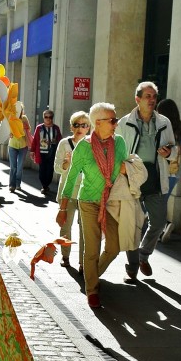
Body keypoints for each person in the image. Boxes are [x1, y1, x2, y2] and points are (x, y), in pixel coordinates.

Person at [57, 103, 128, 309]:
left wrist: (126, 169)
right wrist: (63, 208)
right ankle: (92, 290)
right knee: (92, 249)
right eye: (112, 120)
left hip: (111, 202)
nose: (116, 124)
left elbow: (126, 167)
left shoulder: (120, 143)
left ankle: (92, 275)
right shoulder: (84, 147)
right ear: (98, 123)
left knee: (114, 247)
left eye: (115, 120)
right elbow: (71, 178)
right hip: (88, 201)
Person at [116, 81, 174, 279]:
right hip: (132, 178)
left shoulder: (164, 122)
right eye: (147, 96)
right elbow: (116, 152)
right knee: (132, 226)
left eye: (154, 97)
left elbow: (173, 150)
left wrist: (168, 153)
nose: (151, 100)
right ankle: (132, 267)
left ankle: (143, 255)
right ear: (137, 99)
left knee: (158, 222)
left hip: (155, 178)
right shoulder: (124, 123)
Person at [54, 110, 90, 268]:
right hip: (67, 193)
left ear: (89, 127)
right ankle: (65, 256)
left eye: (84, 125)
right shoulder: (64, 143)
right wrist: (65, 164)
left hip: (86, 192)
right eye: (76, 124)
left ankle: (83, 262)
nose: (80, 128)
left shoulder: (92, 144)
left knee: (85, 230)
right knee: (65, 226)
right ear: (71, 127)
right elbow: (56, 168)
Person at [157, 97, 181, 242]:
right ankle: (162, 226)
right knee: (161, 200)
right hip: (175, 170)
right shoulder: (180, 127)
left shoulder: (162, 125)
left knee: (157, 201)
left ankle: (165, 225)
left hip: (162, 168)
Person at [31, 108, 62, 195]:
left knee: (50, 170)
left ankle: (46, 185)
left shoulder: (56, 128)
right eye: (46, 117)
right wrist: (32, 151)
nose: (48, 119)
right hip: (41, 153)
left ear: (52, 118)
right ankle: (44, 185)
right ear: (43, 118)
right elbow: (35, 140)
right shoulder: (39, 128)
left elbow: (60, 140)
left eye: (50, 117)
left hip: (52, 152)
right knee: (42, 170)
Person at [7, 100, 32, 193]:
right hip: (12, 145)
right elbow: (7, 130)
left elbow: (29, 128)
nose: (19, 111)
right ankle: (12, 185)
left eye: (20, 109)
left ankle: (18, 184)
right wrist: (9, 133)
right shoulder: (10, 118)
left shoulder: (24, 118)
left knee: (20, 166)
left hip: (23, 145)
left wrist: (23, 126)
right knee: (13, 166)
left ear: (22, 110)